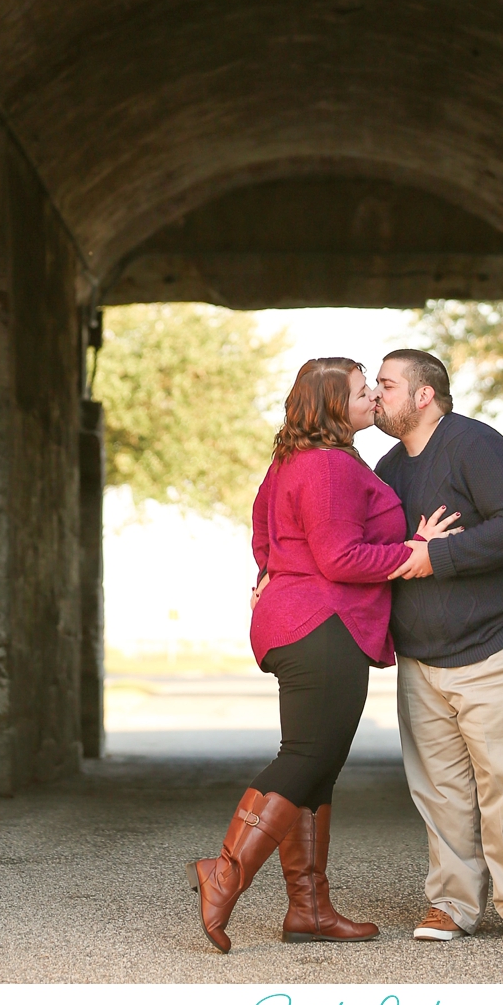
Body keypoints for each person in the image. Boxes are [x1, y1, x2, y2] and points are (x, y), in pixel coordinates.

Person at [187, 356, 460, 953]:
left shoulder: (290, 462)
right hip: (324, 623)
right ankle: (225, 874)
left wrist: (271, 573)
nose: (372, 400)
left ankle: (309, 910)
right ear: (336, 406)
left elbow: (264, 537)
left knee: (318, 763)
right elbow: (340, 557)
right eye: (363, 393)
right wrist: (415, 550)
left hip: (298, 621)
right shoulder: (331, 468)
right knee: (308, 755)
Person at [374, 348, 503, 952]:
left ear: (423, 395)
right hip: (424, 658)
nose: (377, 396)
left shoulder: (475, 444)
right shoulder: (386, 468)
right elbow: (362, 547)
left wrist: (436, 556)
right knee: (440, 792)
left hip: (502, 643)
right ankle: (453, 902)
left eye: (386, 385)